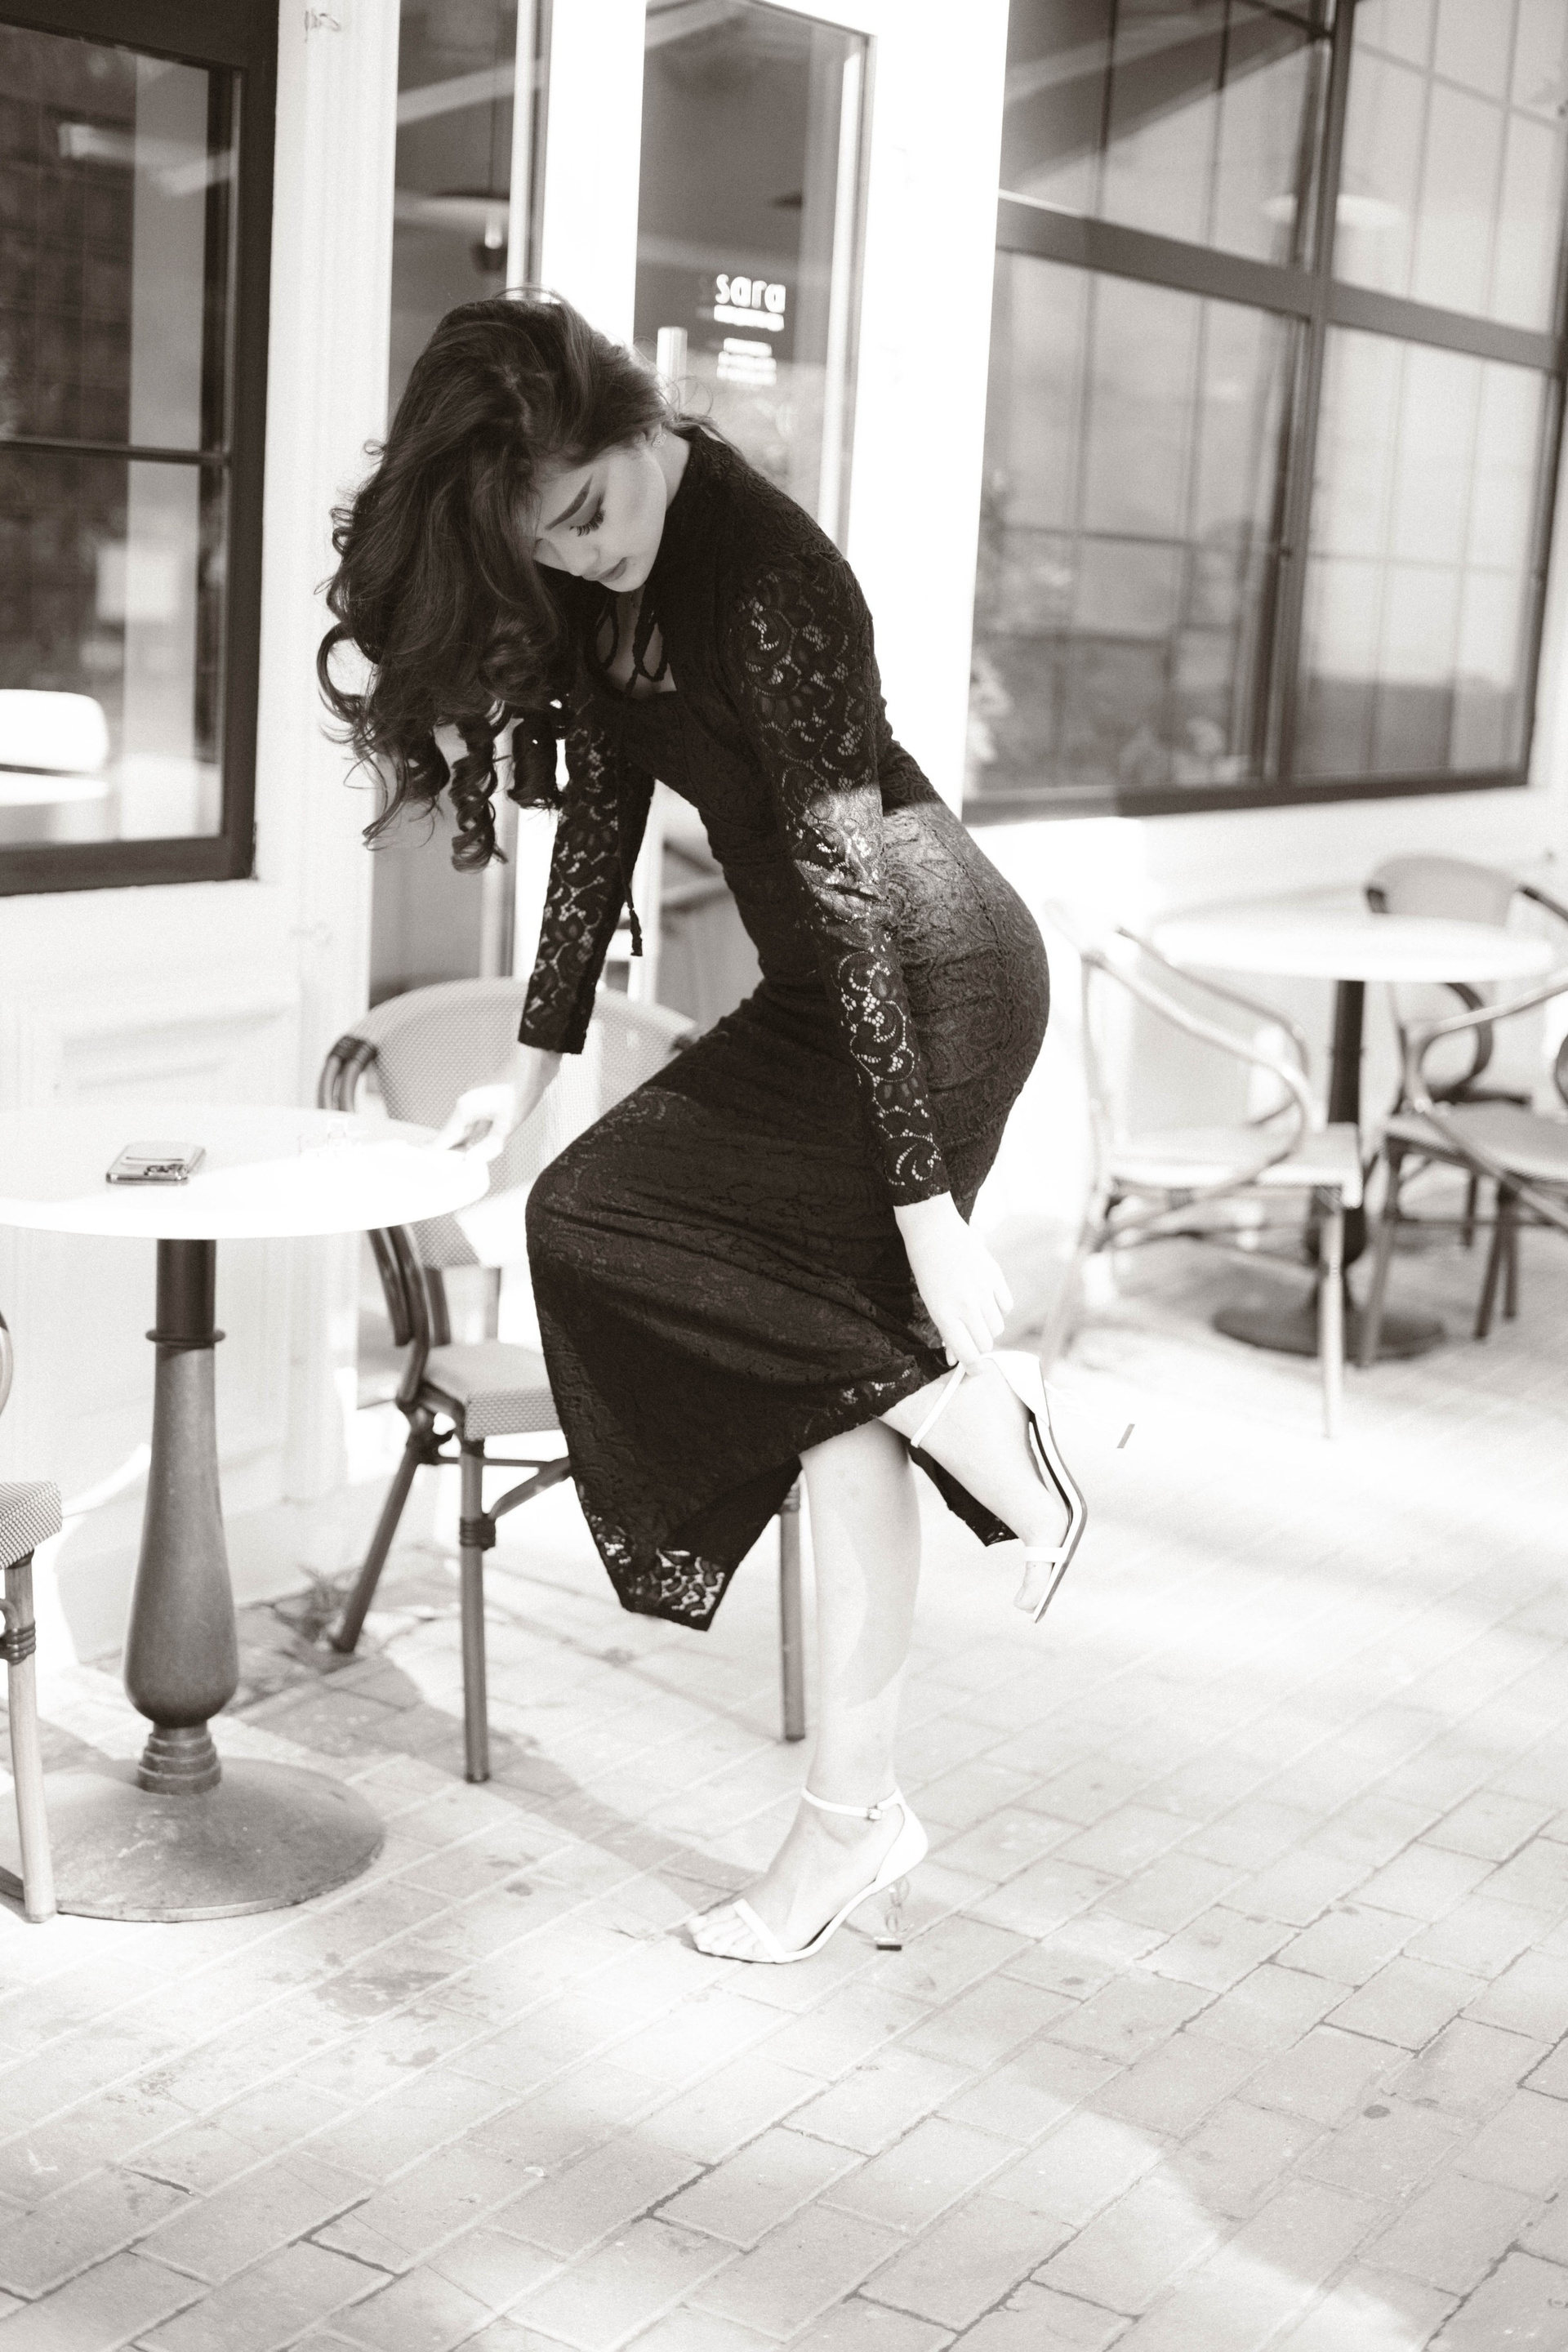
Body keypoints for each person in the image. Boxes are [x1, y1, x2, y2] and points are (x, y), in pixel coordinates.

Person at [319, 291, 1084, 1966]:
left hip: (933, 977)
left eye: (592, 511)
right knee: (610, 1229)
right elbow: (600, 825)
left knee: (809, 1381)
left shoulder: (774, 575)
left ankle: (854, 1808)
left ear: (635, 419)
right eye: (548, 542)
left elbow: (845, 883)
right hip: (830, 996)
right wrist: (530, 1071)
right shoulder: (604, 592)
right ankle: (950, 1480)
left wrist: (926, 1215)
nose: (587, 557)